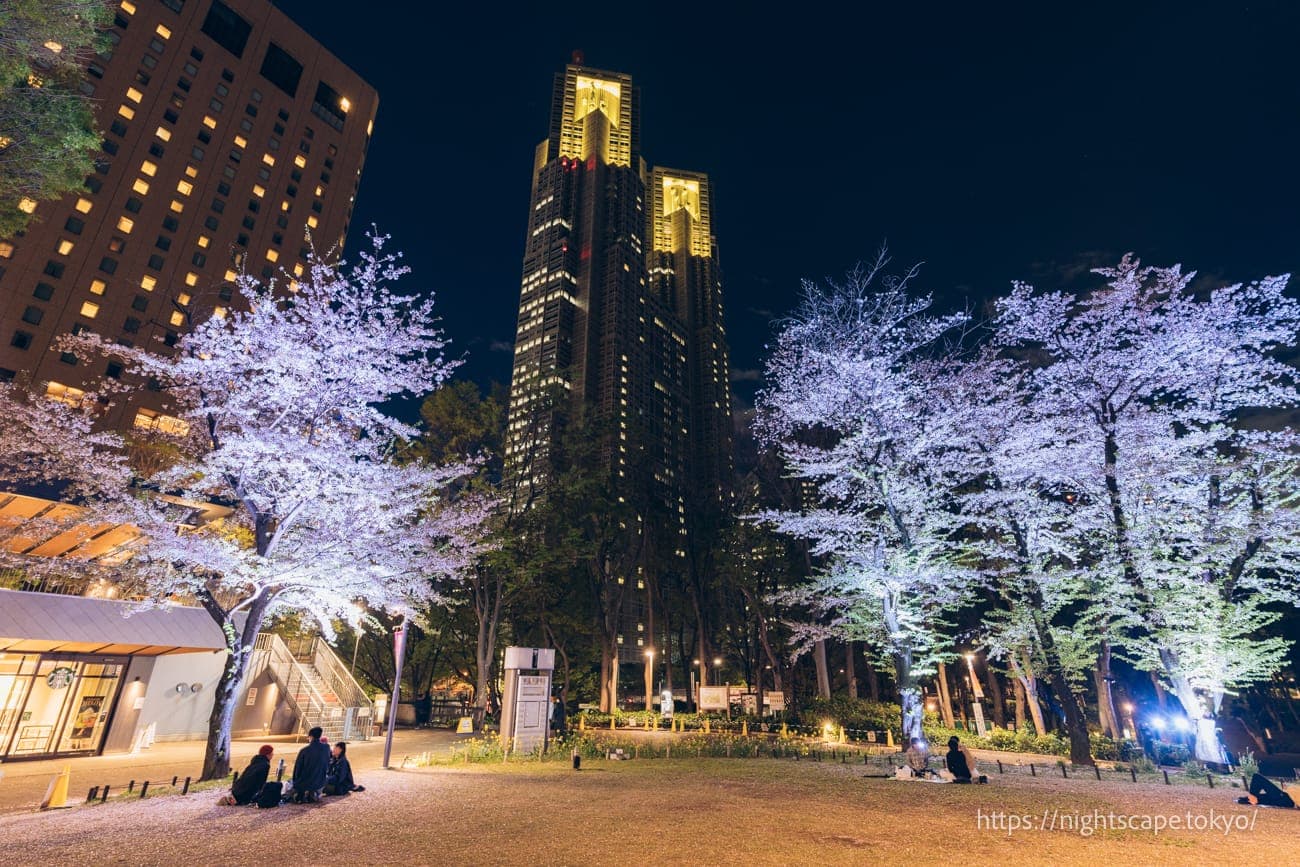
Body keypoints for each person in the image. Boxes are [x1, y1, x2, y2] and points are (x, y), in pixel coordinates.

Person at [291, 726, 331, 803]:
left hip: (306, 781)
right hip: (321, 780)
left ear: (311, 737)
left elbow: (297, 769)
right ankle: (312, 793)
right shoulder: (326, 748)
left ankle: (302, 794)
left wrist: (295, 781)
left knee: (292, 782)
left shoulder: (304, 750)